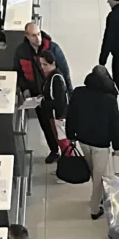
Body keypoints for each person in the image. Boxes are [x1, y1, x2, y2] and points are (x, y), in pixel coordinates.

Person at [66, 66, 119, 221]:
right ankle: (94, 208)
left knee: (93, 171)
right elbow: (115, 125)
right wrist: (117, 147)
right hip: (101, 144)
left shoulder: (78, 93)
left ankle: (97, 197)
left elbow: (71, 115)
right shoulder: (109, 99)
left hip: (83, 140)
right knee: (99, 176)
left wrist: (70, 135)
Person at [14, 23, 72, 162]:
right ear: (26, 36)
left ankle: (68, 156)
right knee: (46, 125)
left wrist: (70, 94)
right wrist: (25, 89)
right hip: (38, 96)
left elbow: (65, 72)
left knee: (60, 130)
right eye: (33, 35)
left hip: (55, 97)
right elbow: (19, 72)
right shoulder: (21, 51)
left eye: (39, 34)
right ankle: (54, 150)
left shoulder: (53, 48)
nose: (38, 38)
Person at [37, 51, 71, 158]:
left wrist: (43, 103)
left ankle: (70, 164)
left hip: (58, 116)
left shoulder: (56, 78)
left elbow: (59, 102)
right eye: (41, 64)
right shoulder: (51, 76)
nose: (42, 67)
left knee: (63, 142)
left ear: (53, 64)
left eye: (45, 64)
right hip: (54, 115)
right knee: (60, 140)